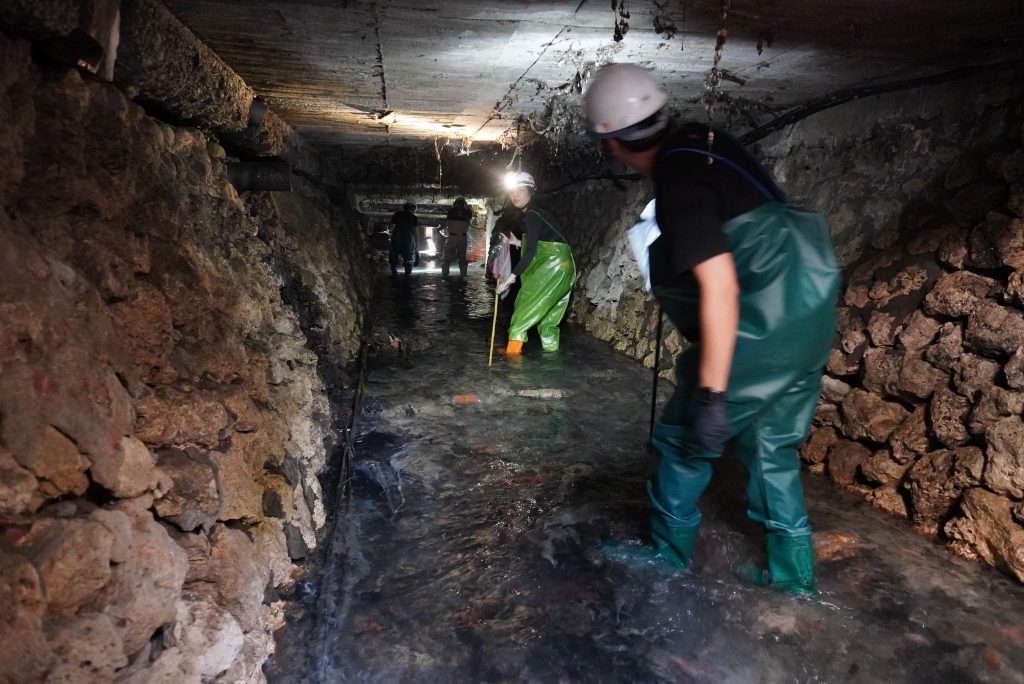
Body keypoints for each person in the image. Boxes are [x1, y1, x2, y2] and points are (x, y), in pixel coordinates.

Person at [582, 64, 839, 594]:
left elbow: (720, 287)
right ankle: (793, 577)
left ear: (611, 145)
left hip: (761, 322)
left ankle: (665, 554)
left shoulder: (678, 182)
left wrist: (712, 396)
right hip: (810, 312)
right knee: (772, 446)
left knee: (682, 440)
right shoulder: (706, 141)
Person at [497, 172, 576, 355]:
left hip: (552, 267)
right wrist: (517, 242)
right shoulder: (539, 213)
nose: (515, 195)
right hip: (565, 268)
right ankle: (551, 359)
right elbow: (547, 242)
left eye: (520, 190)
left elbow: (532, 251)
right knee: (548, 320)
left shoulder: (532, 215)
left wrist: (511, 278)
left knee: (523, 310)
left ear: (531, 192)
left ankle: (511, 358)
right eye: (512, 192)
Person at [439, 197, 472, 277]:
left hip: (452, 237)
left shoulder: (451, 211)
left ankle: (445, 274)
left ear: (455, 203)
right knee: (462, 257)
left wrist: (439, 228)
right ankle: (463, 274)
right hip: (463, 237)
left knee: (446, 256)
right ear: (463, 204)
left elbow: (446, 223)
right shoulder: (467, 212)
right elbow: (469, 219)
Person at [389, 202, 419, 275]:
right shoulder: (413, 217)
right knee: (408, 256)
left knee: (394, 254)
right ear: (413, 209)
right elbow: (414, 231)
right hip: (407, 237)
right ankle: (407, 274)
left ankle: (394, 272)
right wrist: (416, 246)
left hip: (397, 236)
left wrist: (392, 233)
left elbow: (391, 227)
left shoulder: (397, 214)